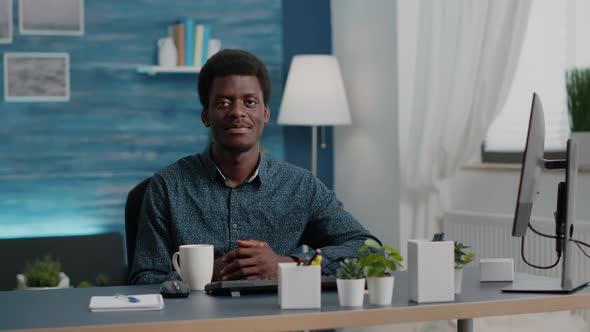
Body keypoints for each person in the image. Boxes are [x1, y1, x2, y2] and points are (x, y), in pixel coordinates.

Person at [129, 49, 378, 285]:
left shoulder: (300, 186)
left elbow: (367, 249)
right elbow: (144, 279)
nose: (237, 112)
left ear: (265, 113)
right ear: (206, 116)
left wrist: (287, 265)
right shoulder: (167, 187)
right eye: (224, 103)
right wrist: (201, 276)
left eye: (249, 102)